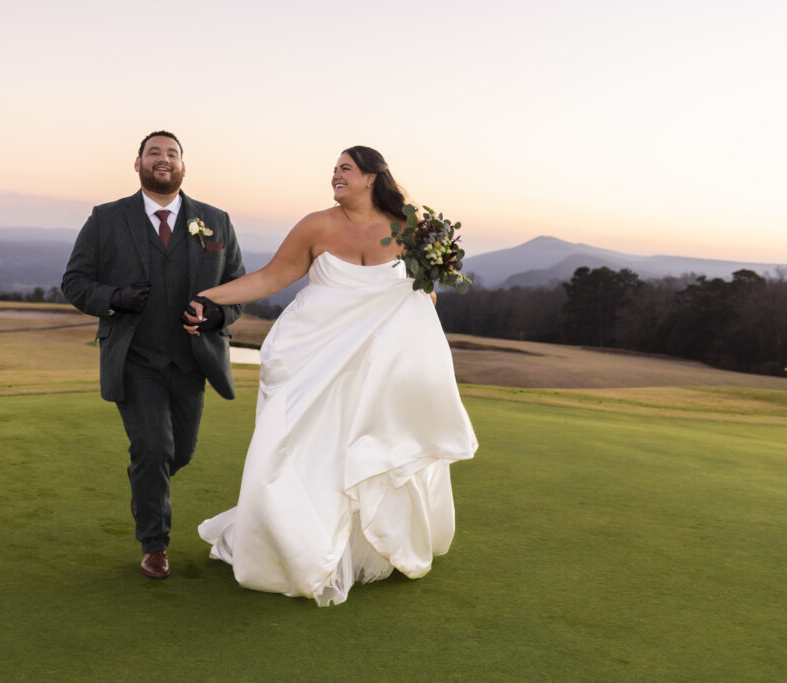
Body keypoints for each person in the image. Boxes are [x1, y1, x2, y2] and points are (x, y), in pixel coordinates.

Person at [187, 146, 477, 605]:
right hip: (313, 357)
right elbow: (270, 277)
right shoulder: (316, 225)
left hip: (378, 367)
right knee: (298, 448)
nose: (335, 176)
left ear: (370, 177)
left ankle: (365, 547)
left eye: (345, 168)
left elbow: (425, 295)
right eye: (334, 170)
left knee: (370, 445)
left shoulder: (410, 227)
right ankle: (296, 546)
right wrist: (208, 296)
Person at [62, 131, 245, 579]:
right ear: (138, 163)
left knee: (179, 452)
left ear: (184, 165)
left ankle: (143, 480)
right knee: (154, 447)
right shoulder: (106, 219)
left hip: (191, 360)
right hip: (134, 359)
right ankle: (154, 544)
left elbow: (239, 286)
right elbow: (75, 282)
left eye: (172, 154)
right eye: (154, 153)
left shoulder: (215, 221)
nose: (163, 159)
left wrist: (214, 318)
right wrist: (114, 296)